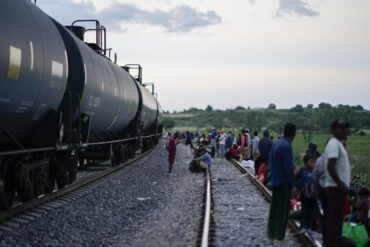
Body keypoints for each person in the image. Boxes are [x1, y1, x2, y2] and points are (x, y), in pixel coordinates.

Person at [267, 123, 296, 244]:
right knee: (282, 211)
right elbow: (288, 168)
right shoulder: (287, 146)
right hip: (284, 182)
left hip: (275, 180)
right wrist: (293, 185)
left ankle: (271, 234)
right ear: (293, 134)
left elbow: (270, 162)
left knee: (274, 208)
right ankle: (279, 237)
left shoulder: (276, 143)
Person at [324, 119, 351, 247]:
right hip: (336, 188)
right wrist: (341, 185)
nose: (345, 131)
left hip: (336, 187)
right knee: (335, 219)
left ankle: (334, 243)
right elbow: (330, 166)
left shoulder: (338, 143)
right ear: (336, 130)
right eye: (342, 128)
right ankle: (331, 244)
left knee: (336, 219)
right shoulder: (334, 143)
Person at [295, 154, 316, 234]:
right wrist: (300, 188)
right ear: (306, 162)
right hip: (304, 194)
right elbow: (295, 178)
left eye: (314, 162)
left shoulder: (315, 170)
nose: (313, 164)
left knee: (311, 211)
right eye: (311, 162)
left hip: (313, 195)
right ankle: (303, 226)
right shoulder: (302, 170)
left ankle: (309, 227)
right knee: (304, 211)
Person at [313, 140, 329, 244]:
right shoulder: (338, 159)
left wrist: (317, 189)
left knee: (325, 212)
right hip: (333, 191)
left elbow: (315, 176)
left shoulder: (320, 159)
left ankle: (325, 237)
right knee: (332, 213)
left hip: (323, 190)